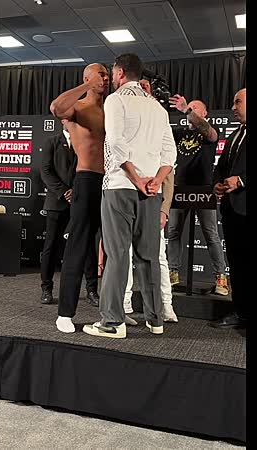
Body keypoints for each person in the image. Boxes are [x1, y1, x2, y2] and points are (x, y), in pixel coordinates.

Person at [83, 53, 176, 339]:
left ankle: (113, 322)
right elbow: (170, 153)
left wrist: (136, 179)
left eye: (113, 72)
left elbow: (115, 143)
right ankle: (155, 320)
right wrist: (155, 181)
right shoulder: (157, 107)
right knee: (149, 256)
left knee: (117, 255)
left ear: (121, 73)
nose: (111, 78)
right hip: (151, 192)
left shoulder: (116, 100)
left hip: (120, 187)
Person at [49, 63, 109, 333]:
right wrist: (87, 86)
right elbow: (56, 108)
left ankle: (114, 311)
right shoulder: (79, 108)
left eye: (107, 74)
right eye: (100, 74)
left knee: (115, 250)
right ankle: (65, 314)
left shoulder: (112, 109)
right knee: (77, 246)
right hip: (86, 180)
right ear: (87, 77)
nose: (105, 78)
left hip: (112, 183)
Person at [121, 78, 178, 324]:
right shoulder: (123, 120)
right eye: (138, 86)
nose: (140, 90)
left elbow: (169, 171)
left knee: (158, 256)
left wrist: (164, 210)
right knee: (124, 255)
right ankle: (124, 305)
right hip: (125, 195)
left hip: (152, 200)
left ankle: (165, 305)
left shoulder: (158, 118)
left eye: (145, 86)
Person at [166, 95, 229, 295]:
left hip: (203, 189)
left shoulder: (210, 132)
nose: (190, 110)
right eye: (189, 108)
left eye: (195, 108)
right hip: (180, 188)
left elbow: (209, 133)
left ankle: (221, 278)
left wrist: (186, 110)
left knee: (211, 234)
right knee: (173, 232)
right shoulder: (180, 133)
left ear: (204, 113)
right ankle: (172, 272)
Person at [39, 119, 99, 306]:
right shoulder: (51, 142)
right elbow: (46, 171)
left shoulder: (86, 142)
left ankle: (92, 291)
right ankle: (46, 288)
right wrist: (64, 192)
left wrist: (77, 192)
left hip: (81, 201)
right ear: (62, 120)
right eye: (68, 117)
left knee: (87, 246)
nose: (71, 120)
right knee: (51, 246)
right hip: (57, 202)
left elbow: (90, 170)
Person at [210, 88, 247, 329]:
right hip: (233, 211)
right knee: (237, 264)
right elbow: (221, 166)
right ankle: (241, 312)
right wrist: (217, 183)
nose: (233, 107)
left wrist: (241, 180)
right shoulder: (235, 134)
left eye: (238, 102)